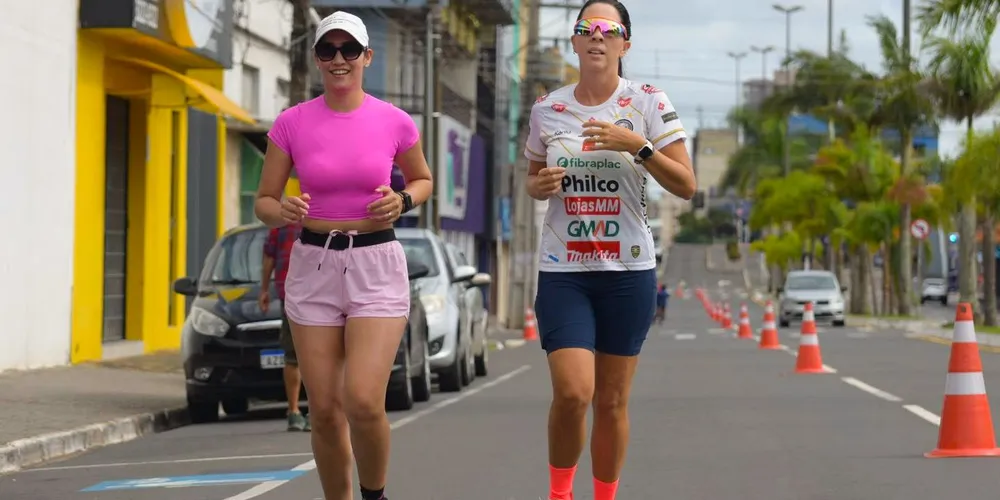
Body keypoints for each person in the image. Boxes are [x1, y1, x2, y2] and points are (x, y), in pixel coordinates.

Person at [254, 11, 433, 500]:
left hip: (375, 262)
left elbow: (423, 180)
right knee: (326, 408)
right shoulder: (292, 123)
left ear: (366, 57)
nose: (339, 59)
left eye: (349, 50)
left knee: (362, 401)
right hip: (312, 263)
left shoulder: (394, 121)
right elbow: (264, 201)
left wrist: (404, 200)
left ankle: (375, 494)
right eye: (328, 50)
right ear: (316, 59)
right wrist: (282, 208)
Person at [522, 1, 696, 498]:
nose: (596, 37)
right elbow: (533, 178)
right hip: (565, 272)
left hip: (627, 272)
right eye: (586, 29)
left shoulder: (646, 101)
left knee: (613, 401)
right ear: (574, 42)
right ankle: (560, 492)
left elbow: (686, 185)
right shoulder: (547, 108)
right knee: (574, 392)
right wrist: (539, 187)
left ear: (625, 44)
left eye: (608, 30)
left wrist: (635, 144)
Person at [259, 222, 311, 432]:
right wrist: (264, 289)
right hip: (295, 295)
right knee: (295, 355)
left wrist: (264, 289)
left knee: (306, 356)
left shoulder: (282, 224)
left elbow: (269, 258)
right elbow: (270, 257)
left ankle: (306, 411)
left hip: (314, 294)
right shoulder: (282, 225)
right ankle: (296, 411)